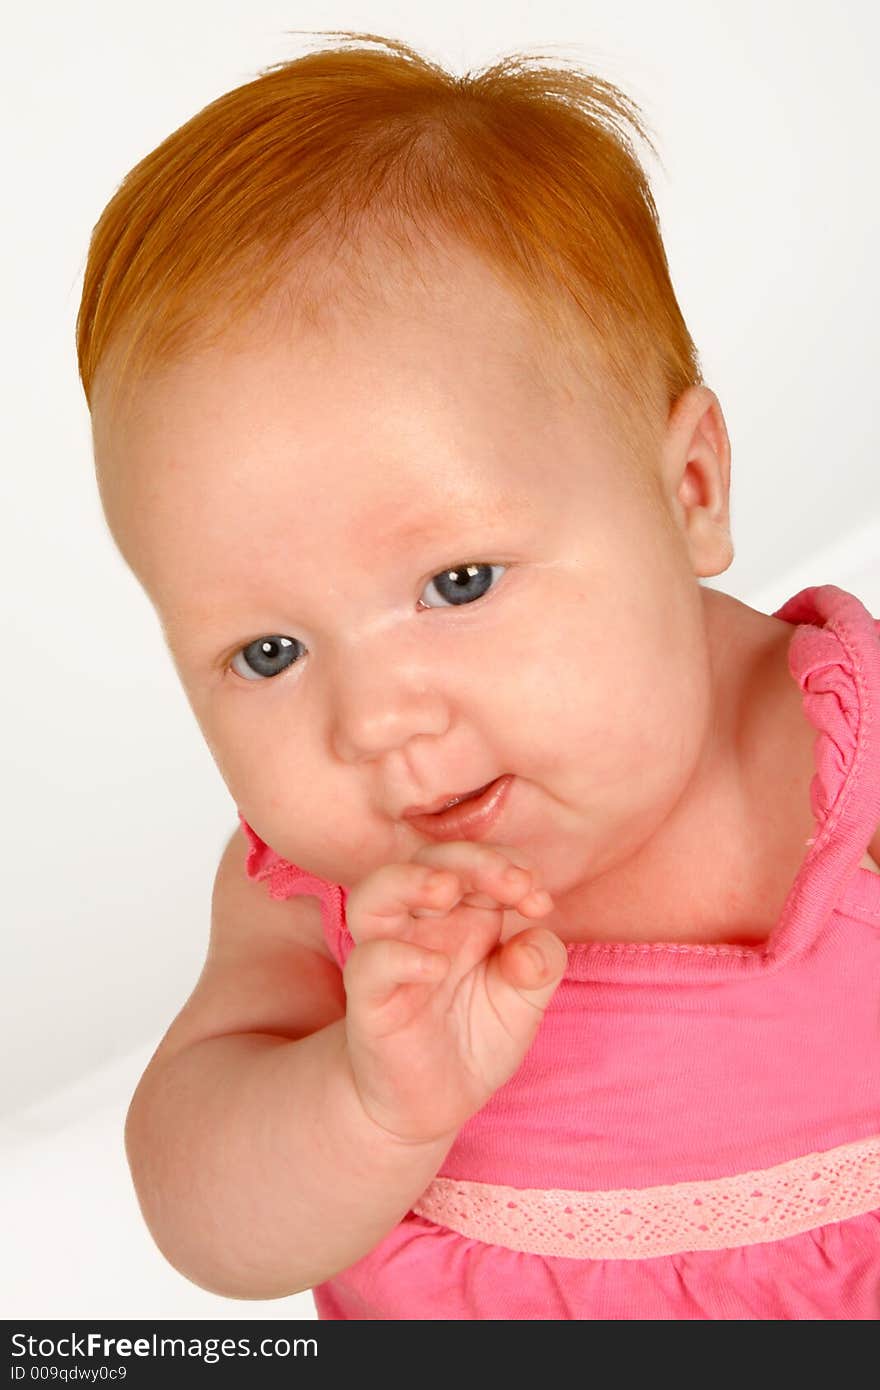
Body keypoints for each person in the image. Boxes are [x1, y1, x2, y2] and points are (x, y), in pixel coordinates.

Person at [77, 31, 880, 1319]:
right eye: (268, 653)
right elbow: (205, 1219)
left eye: (458, 584)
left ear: (688, 493)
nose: (378, 720)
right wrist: (363, 1099)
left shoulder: (847, 747)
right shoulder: (317, 907)